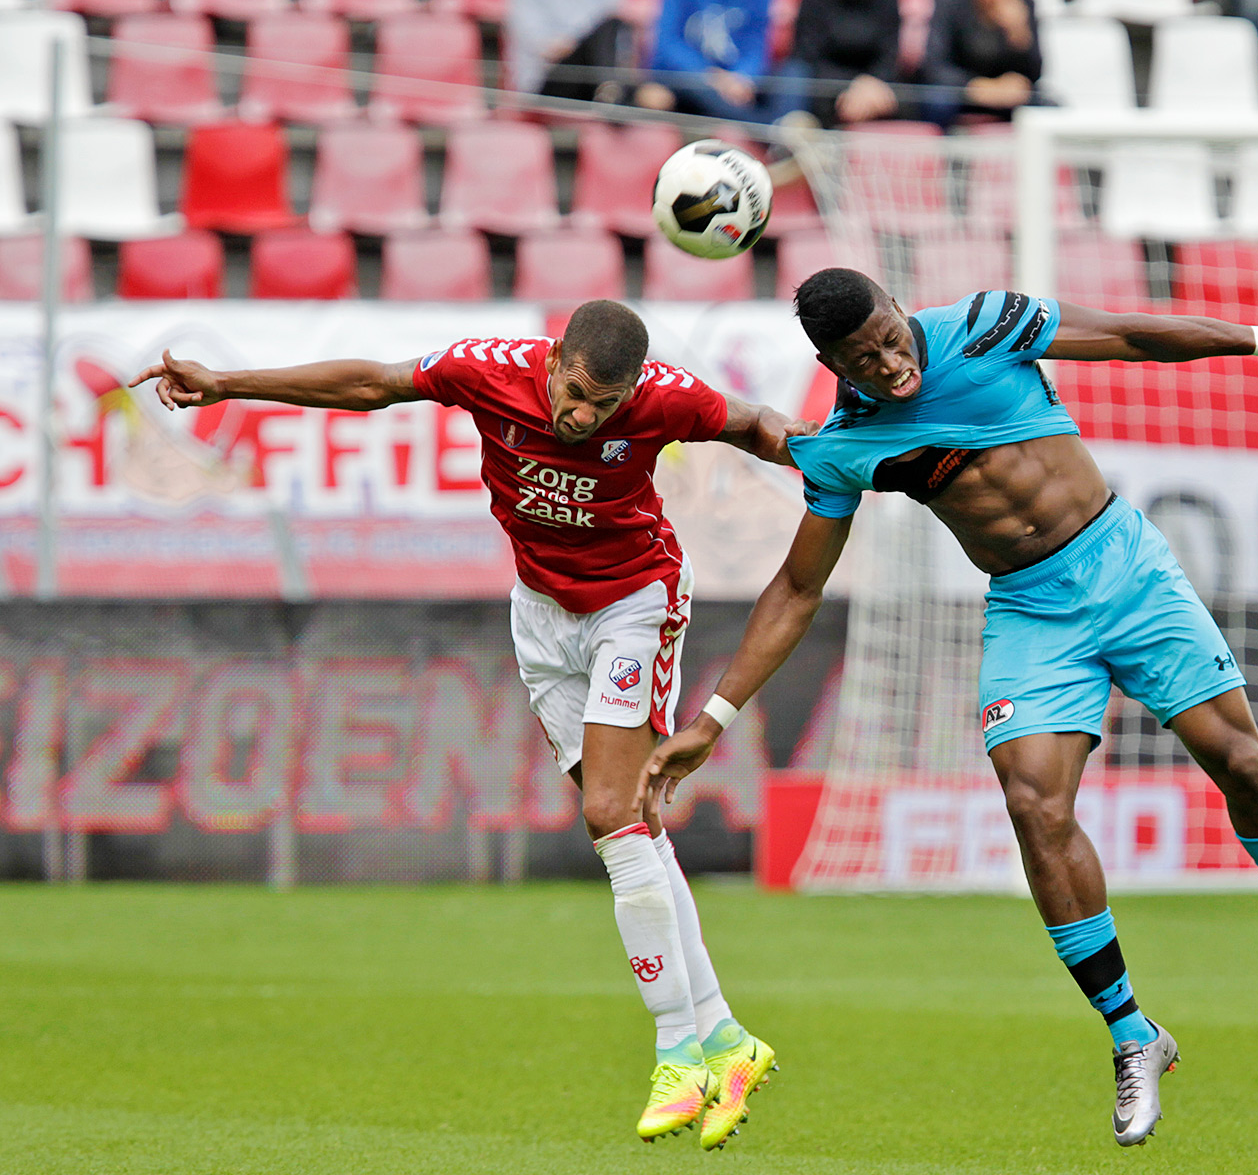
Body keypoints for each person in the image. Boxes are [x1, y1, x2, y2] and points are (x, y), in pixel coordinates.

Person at [640, 271, 1258, 1147]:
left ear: (897, 310)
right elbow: (799, 587)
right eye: (862, 357)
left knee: (1242, 764)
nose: (889, 361)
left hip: (1124, 566)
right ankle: (1133, 1033)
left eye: (890, 335)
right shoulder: (845, 444)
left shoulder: (986, 325)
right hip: (1029, 610)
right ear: (830, 362)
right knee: (1033, 804)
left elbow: (1132, 335)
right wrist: (710, 722)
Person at [131, 300, 810, 1150]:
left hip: (632, 605)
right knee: (628, 829)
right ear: (555, 357)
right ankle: (724, 1037)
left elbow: (754, 422)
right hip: (539, 611)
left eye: (603, 405)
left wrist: (828, 453)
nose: (581, 415)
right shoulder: (491, 370)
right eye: (574, 393)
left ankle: (678, 1048)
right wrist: (225, 383)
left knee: (612, 814)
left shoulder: (668, 399)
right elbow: (372, 384)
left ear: (632, 391)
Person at [635, 0, 781, 123]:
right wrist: (709, 75)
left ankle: (774, 128)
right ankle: (773, 130)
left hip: (732, 82)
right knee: (699, 92)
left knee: (790, 79)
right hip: (681, 76)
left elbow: (756, 44)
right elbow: (668, 43)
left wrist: (742, 78)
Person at [919, 0, 1045, 127]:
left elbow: (1034, 74)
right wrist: (974, 86)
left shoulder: (1023, 3)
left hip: (1007, 94)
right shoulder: (952, 0)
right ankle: (941, 149)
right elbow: (935, 65)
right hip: (962, 91)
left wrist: (1019, 34)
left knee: (1048, 106)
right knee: (937, 102)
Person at [781, 0, 903, 127]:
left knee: (903, 100)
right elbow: (808, 55)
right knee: (795, 76)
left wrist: (871, 84)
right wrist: (852, 88)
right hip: (825, 88)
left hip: (873, 89)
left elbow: (888, 58)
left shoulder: (888, 0)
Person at [506, 0, 631, 103]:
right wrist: (582, 43)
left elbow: (620, 51)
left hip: (590, 82)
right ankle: (611, 92)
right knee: (607, 29)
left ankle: (610, 91)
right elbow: (542, 46)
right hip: (545, 82)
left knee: (610, 27)